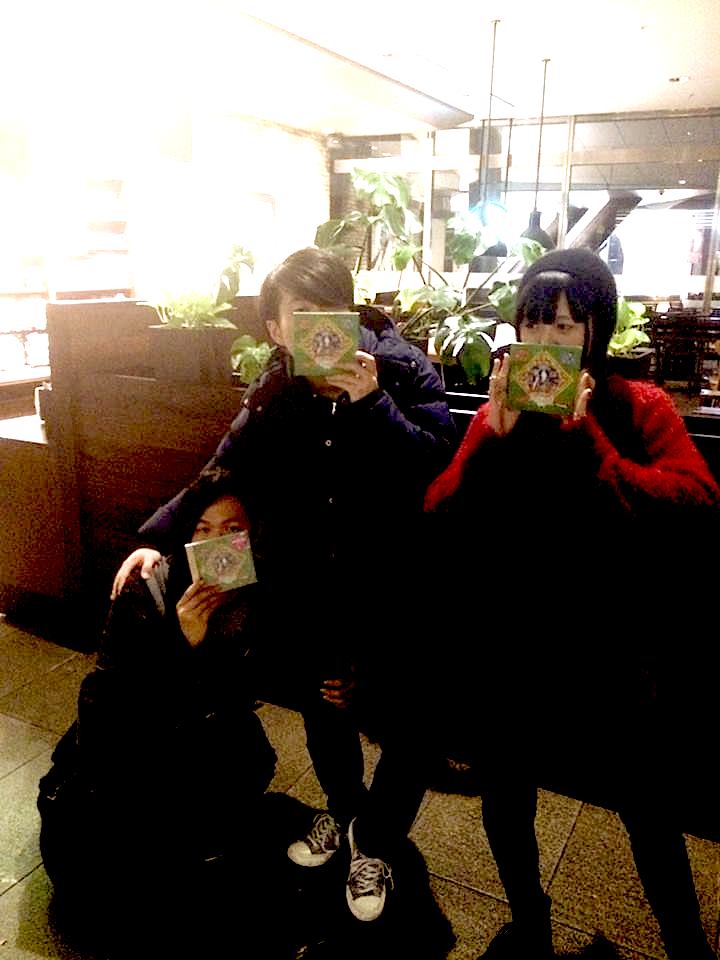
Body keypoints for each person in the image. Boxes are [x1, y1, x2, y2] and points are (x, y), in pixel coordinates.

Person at [110, 246, 458, 923]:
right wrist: (154, 537)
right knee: (324, 710)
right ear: (275, 329)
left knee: (408, 730)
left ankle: (374, 839)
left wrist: (372, 403)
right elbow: (221, 468)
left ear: (350, 311)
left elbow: (437, 471)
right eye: (300, 314)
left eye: (330, 308)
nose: (319, 326)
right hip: (313, 588)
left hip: (392, 591)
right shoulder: (276, 390)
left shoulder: (403, 370)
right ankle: (344, 811)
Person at [425, 248, 720, 960]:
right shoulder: (499, 411)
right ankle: (530, 923)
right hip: (514, 640)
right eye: (534, 325)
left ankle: (688, 947)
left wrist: (592, 444)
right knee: (506, 794)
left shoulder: (635, 404)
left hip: (609, 642)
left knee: (648, 808)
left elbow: (700, 500)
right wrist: (487, 441)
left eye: (565, 326)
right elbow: (437, 514)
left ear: (594, 332)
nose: (547, 342)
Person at [38, 470, 279, 955]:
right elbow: (106, 711)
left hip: (197, 734)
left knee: (250, 759)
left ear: (251, 535)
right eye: (201, 530)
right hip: (128, 751)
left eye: (231, 530)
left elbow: (239, 690)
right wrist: (182, 644)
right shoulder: (146, 589)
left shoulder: (253, 596)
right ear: (184, 534)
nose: (216, 544)